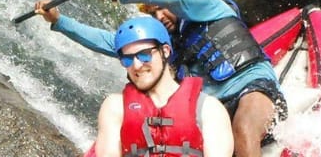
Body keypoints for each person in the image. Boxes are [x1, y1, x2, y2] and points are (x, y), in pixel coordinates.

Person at [34, 0, 287, 157]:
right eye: (153, 14)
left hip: (253, 86)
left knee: (242, 130)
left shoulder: (207, 4)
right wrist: (58, 21)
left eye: (162, 10)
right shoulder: (163, 46)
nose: (159, 17)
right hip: (214, 108)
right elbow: (114, 43)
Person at [94, 16, 233, 157]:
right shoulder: (115, 107)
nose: (136, 65)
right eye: (127, 59)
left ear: (165, 51)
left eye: (144, 55)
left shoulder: (209, 109)